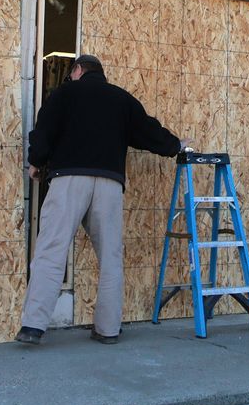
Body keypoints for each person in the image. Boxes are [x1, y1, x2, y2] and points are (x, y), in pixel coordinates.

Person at [16, 54, 189, 345]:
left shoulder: (64, 93)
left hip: (69, 179)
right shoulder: (121, 99)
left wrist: (36, 161)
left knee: (52, 250)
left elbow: (45, 128)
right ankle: (108, 330)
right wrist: (175, 145)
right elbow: (148, 131)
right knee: (110, 257)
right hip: (109, 183)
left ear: (78, 70)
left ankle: (33, 327)